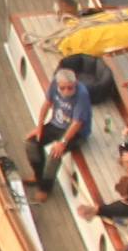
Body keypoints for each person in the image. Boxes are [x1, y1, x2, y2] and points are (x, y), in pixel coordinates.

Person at [23, 62, 91, 199]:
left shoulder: (81, 94)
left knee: (54, 154)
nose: (66, 91)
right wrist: (40, 126)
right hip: (56, 124)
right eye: (63, 88)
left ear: (75, 83)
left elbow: (78, 122)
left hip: (76, 132)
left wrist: (63, 142)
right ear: (58, 84)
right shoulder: (54, 84)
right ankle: (38, 175)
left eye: (69, 88)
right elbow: (47, 103)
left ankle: (45, 187)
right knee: (31, 144)